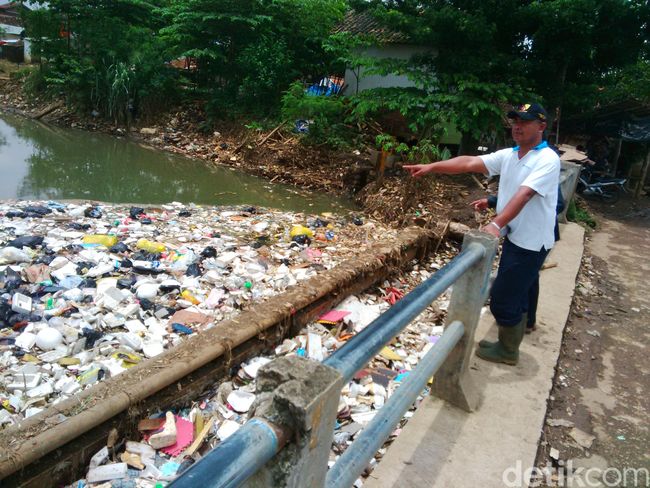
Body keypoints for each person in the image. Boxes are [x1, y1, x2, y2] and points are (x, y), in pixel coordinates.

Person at [404, 103, 560, 365]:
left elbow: (525, 194)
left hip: (530, 242)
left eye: (524, 121)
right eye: (514, 121)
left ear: (541, 126)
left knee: (502, 299)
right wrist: (432, 167)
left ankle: (508, 350)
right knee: (524, 285)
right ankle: (523, 327)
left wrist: (496, 224)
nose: (517, 126)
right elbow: (468, 162)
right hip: (519, 234)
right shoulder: (512, 155)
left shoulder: (547, 159)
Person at [472, 184, 565, 334]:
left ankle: (519, 327)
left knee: (523, 281)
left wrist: (527, 214)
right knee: (529, 278)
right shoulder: (523, 167)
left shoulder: (545, 168)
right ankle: (527, 321)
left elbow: (558, 204)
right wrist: (492, 201)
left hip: (536, 236)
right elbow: (516, 194)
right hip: (525, 235)